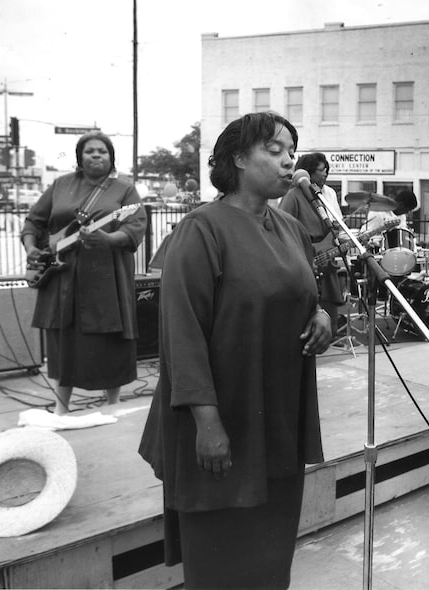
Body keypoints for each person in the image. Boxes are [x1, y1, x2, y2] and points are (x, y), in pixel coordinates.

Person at [138, 112, 330, 590]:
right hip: (220, 416)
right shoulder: (201, 230)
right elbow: (181, 334)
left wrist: (322, 316)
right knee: (222, 556)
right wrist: (208, 423)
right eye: (275, 150)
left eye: (291, 150)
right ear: (239, 159)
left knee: (270, 551)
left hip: (277, 412)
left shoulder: (289, 226)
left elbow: (307, 294)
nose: (289, 160)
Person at [21, 131, 147, 415]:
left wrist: (109, 239)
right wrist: (31, 247)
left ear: (111, 157)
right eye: (90, 151)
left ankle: (112, 405)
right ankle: (60, 408)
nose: (96, 155)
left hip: (105, 277)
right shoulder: (60, 185)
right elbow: (34, 222)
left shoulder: (124, 190)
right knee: (63, 341)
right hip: (62, 276)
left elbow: (135, 225)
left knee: (108, 342)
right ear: (79, 157)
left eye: (102, 151)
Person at [279, 152, 346, 336]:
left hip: (325, 259)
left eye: (327, 171)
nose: (325, 174)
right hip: (304, 259)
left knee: (328, 311)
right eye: (321, 170)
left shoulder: (324, 195)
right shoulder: (293, 196)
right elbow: (283, 229)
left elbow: (333, 225)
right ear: (307, 173)